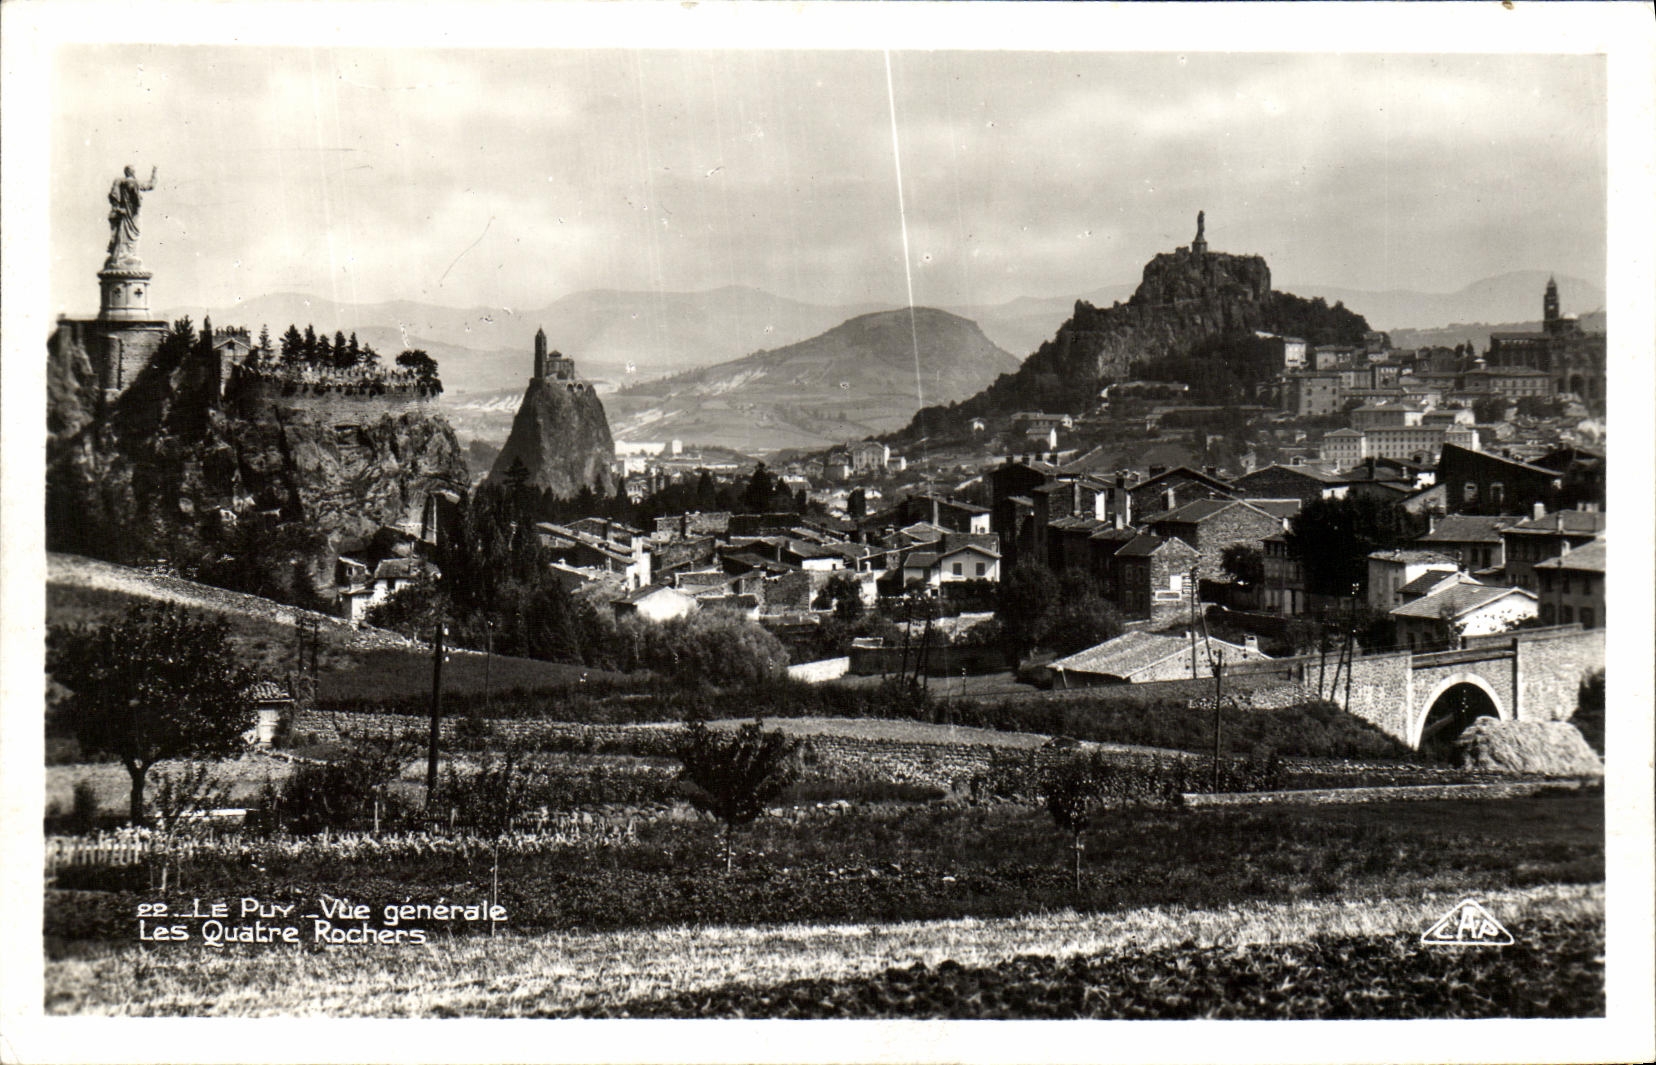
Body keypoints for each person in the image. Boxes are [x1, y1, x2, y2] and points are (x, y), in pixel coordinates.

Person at [107, 165, 158, 262]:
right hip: (131, 214)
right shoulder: (133, 182)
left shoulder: (119, 181)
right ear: (132, 172)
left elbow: (114, 196)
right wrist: (154, 173)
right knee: (129, 234)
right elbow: (150, 185)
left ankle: (124, 254)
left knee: (124, 233)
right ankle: (125, 255)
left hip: (126, 213)